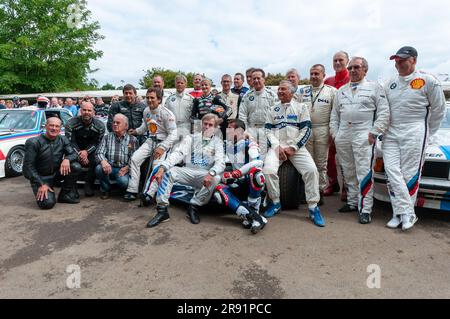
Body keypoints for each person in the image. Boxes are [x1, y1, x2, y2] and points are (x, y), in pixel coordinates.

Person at [383, 46, 446, 231]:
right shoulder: (389, 83)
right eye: (396, 60)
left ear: (414, 60)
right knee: (391, 170)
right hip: (391, 131)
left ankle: (404, 214)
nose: (398, 63)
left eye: (402, 59)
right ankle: (404, 212)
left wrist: (428, 132)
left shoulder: (428, 80)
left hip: (415, 129)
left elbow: (439, 110)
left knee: (409, 173)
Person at [330, 57, 389, 224]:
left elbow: (384, 113)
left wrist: (374, 132)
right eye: (350, 68)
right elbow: (334, 115)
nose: (352, 70)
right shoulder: (341, 90)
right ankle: (352, 202)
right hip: (343, 134)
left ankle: (365, 209)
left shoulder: (374, 88)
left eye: (356, 67)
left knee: (363, 171)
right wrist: (335, 134)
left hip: (363, 133)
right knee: (348, 171)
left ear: (365, 70)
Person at [263, 80, 325, 227]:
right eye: (278, 89)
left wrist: (293, 147)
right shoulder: (272, 109)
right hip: (277, 147)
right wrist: (277, 147)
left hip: (296, 147)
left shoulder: (301, 107)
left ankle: (313, 207)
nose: (279, 92)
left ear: (292, 92)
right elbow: (267, 131)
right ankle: (276, 203)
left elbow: (306, 130)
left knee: (311, 171)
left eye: (283, 89)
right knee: (268, 171)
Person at [146, 114, 225, 227]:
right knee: (168, 172)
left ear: (215, 128)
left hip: (204, 175)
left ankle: (193, 206)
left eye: (210, 125)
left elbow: (220, 162)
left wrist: (211, 173)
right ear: (201, 125)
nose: (207, 127)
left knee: (216, 178)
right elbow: (178, 153)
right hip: (187, 171)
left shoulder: (218, 142)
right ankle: (162, 211)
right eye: (205, 124)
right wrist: (163, 167)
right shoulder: (191, 138)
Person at [213, 119, 267, 234]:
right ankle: (254, 217)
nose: (228, 132)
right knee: (219, 191)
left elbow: (258, 163)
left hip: (250, 183)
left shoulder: (250, 144)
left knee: (256, 173)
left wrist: (238, 173)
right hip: (237, 184)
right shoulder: (227, 145)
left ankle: (253, 211)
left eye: (231, 129)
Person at [124, 88, 177, 202]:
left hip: (163, 142)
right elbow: (145, 126)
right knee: (134, 159)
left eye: (152, 97)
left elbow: (173, 134)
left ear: (159, 99)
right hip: (150, 140)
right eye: (147, 97)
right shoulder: (146, 111)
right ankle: (132, 190)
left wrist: (162, 148)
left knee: (156, 166)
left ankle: (149, 194)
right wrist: (136, 131)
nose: (149, 100)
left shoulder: (167, 114)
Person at [23, 117, 81, 209]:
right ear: (45, 126)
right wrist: (41, 184)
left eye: (57, 126)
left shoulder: (63, 139)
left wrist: (67, 159)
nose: (54, 128)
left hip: (56, 174)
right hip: (41, 178)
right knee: (47, 204)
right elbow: (27, 168)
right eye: (51, 125)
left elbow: (74, 154)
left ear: (60, 128)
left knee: (75, 166)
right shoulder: (33, 142)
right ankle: (46, 189)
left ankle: (64, 195)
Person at [300, 65, 337, 205]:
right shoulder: (302, 91)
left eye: (317, 73)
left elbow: (336, 114)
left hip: (323, 128)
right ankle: (309, 191)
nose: (314, 76)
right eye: (311, 73)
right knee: (307, 163)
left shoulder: (332, 91)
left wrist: (332, 132)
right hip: (306, 129)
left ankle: (320, 191)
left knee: (321, 163)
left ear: (323, 75)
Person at [324, 51, 351, 199]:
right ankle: (333, 183)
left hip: (347, 124)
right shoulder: (328, 81)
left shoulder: (351, 78)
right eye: (335, 60)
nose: (338, 63)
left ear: (347, 61)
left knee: (345, 157)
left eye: (341, 60)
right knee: (329, 156)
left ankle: (347, 187)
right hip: (330, 124)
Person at [65, 101, 105, 197]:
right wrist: (79, 154)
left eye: (89, 110)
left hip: (91, 151)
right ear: (80, 111)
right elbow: (70, 142)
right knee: (73, 163)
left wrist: (86, 152)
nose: (87, 112)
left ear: (93, 112)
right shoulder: (71, 123)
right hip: (74, 150)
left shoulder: (100, 125)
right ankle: (72, 187)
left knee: (96, 160)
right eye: (84, 110)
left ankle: (89, 184)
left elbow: (98, 143)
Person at [95, 114, 139, 199]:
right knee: (99, 168)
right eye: (114, 122)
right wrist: (103, 162)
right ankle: (105, 189)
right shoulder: (107, 137)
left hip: (123, 169)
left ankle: (122, 189)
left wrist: (127, 168)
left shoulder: (133, 140)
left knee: (124, 182)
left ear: (126, 126)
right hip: (109, 167)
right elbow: (99, 153)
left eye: (118, 123)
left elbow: (136, 158)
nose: (115, 124)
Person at [239, 68, 278, 156]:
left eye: (258, 78)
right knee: (251, 156)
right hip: (251, 130)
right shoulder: (247, 96)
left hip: (266, 130)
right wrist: (245, 131)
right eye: (254, 79)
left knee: (265, 157)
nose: (256, 80)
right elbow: (242, 115)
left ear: (263, 79)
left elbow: (276, 115)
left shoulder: (271, 95)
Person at [164, 74, 194, 141]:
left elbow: (195, 116)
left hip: (187, 128)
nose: (179, 84)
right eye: (178, 83)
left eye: (182, 83)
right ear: (175, 84)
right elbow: (165, 115)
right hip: (173, 128)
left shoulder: (191, 99)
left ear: (185, 84)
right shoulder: (169, 99)